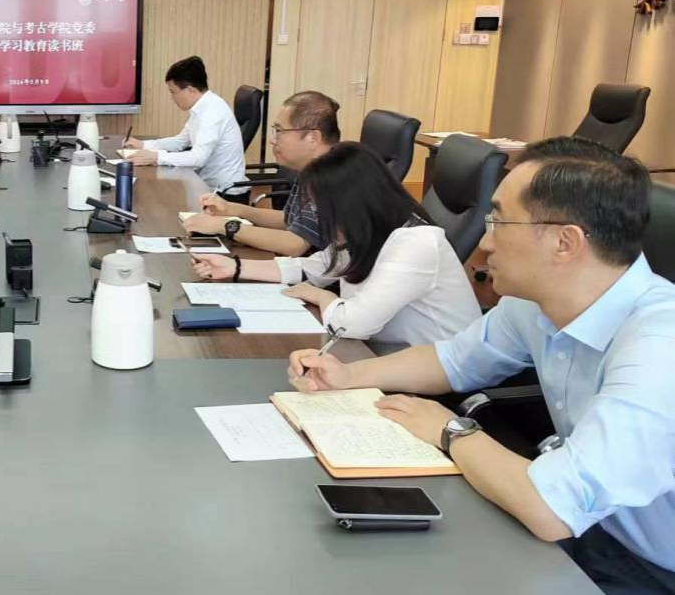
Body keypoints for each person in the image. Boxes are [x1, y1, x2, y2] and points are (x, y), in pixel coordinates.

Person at [287, 137, 675, 595]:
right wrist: (349, 376)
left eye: (498, 220)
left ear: (564, 242)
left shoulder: (660, 345)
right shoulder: (536, 300)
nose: (485, 243)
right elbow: (453, 360)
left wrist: (450, 431)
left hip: (648, 565)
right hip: (589, 527)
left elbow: (552, 510)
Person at [192, 142, 479, 346]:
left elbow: (352, 323)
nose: (322, 219)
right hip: (381, 352)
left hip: (431, 378)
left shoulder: (416, 244)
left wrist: (321, 297)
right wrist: (235, 267)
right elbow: (314, 267)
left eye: (324, 209)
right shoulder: (369, 230)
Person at [183, 89, 339, 257]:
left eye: (280, 131)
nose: (272, 140)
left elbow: (295, 244)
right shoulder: (312, 169)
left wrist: (225, 227)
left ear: (313, 138)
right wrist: (233, 209)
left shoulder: (333, 176)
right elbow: (289, 220)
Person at [123, 56, 246, 192]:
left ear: (190, 90)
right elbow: (180, 142)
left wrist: (156, 157)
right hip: (204, 185)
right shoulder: (201, 108)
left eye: (173, 92)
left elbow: (198, 158)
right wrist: (143, 145)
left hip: (223, 193)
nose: (172, 98)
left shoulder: (212, 112)